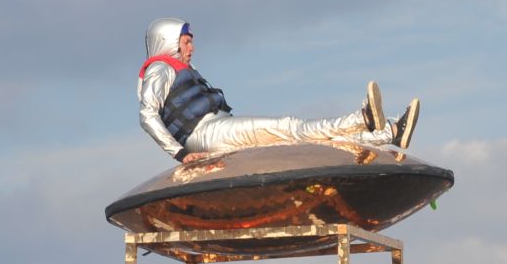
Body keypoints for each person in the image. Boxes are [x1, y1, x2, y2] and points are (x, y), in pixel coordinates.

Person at [136, 18, 420, 165]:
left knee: (297, 143)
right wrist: (179, 153)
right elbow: (147, 115)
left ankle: (388, 134)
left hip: (215, 129)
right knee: (289, 127)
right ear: (169, 41)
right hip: (206, 134)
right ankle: (363, 119)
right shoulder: (160, 69)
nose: (191, 47)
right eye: (186, 42)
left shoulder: (181, 69)